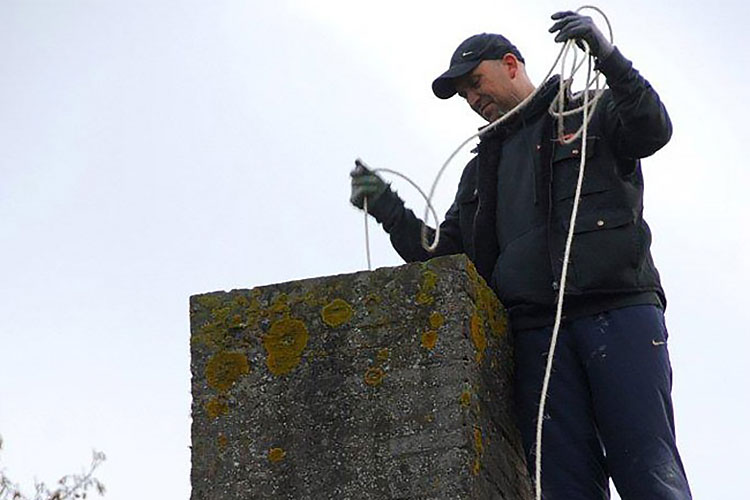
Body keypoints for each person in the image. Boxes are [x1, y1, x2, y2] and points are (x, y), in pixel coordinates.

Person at [349, 10, 692, 500]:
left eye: (474, 82)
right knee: (563, 488)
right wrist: (385, 207)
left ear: (510, 64)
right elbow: (443, 260)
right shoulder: (478, 173)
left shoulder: (590, 111)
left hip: (617, 311)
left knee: (648, 467)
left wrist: (607, 57)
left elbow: (652, 128)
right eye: (464, 93)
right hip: (535, 337)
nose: (472, 98)